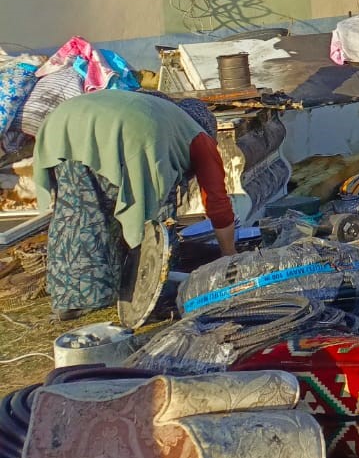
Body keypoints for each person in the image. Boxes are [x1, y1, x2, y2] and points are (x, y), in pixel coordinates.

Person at [35, 89, 235, 321]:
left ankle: (73, 299)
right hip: (129, 132)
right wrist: (229, 255)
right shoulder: (198, 135)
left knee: (80, 216)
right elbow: (217, 202)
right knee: (153, 218)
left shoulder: (161, 110)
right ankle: (150, 294)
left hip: (62, 123)